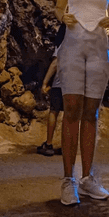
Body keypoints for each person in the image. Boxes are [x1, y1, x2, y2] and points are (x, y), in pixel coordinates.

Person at [54, 0, 109, 206]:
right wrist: (62, 16)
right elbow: (59, 8)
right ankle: (68, 180)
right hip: (72, 45)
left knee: (91, 112)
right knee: (71, 109)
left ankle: (87, 178)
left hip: (97, 48)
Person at [38, 24, 66, 156]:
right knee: (69, 115)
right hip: (75, 87)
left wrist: (44, 83)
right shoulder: (81, 46)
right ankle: (66, 145)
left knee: (54, 112)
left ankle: (48, 144)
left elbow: (55, 64)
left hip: (59, 85)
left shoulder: (62, 46)